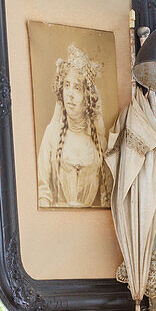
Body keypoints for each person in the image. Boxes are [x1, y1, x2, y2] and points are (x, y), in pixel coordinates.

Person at [37, 44, 112, 208]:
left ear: (87, 97)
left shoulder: (99, 143)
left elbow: (107, 200)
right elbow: (42, 193)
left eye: (77, 88)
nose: (69, 94)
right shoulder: (52, 135)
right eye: (66, 85)